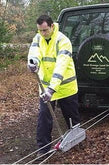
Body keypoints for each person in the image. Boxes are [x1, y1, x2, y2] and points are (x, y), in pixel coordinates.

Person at [27, 15, 80, 155]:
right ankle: (43, 148)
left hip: (65, 87)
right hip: (46, 87)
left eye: (45, 30)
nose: (43, 33)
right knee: (44, 116)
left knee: (71, 117)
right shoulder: (38, 37)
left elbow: (61, 66)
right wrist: (33, 62)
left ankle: (76, 141)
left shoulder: (63, 41)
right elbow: (34, 51)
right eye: (40, 30)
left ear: (52, 26)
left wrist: (52, 88)